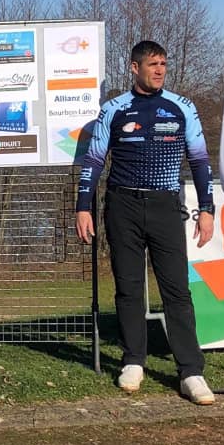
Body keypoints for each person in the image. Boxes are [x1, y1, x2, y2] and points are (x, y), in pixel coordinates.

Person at [76, 40, 216, 405]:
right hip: (122, 203)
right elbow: (94, 161)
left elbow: (199, 160)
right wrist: (83, 206)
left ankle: (191, 371)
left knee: (177, 289)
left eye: (163, 64)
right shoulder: (113, 109)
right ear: (134, 67)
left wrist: (207, 209)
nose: (159, 71)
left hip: (165, 205)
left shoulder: (182, 107)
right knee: (128, 286)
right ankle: (133, 360)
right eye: (152, 64)